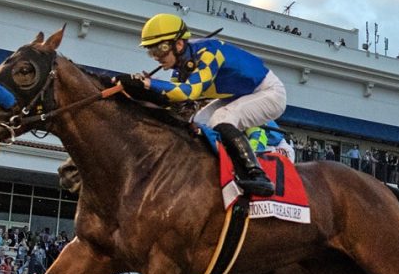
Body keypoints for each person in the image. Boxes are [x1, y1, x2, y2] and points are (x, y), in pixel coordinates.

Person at [118, 13, 287, 197]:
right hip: (238, 94)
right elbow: (174, 101)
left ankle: (257, 175)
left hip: (268, 92)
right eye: (151, 52)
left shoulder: (209, 53)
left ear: (179, 44)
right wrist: (138, 91)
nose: (156, 57)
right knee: (197, 122)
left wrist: (148, 84)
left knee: (221, 118)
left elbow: (189, 92)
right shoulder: (180, 68)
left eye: (159, 50)